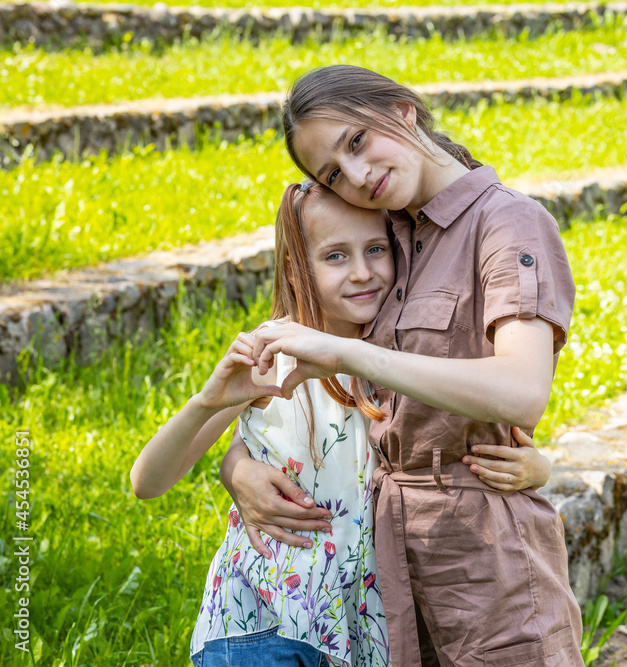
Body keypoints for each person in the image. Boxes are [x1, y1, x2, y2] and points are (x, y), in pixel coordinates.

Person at [222, 65, 585, 667]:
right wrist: (237, 465)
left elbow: (522, 391)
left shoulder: (507, 223)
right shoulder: (384, 236)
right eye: (333, 172)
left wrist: (350, 355)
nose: (358, 176)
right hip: (383, 563)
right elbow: (313, 395)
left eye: (357, 140)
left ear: (402, 110)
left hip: (487, 558)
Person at [130, 181, 551, 667]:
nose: (362, 272)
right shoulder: (272, 355)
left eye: (376, 249)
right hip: (261, 620)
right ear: (296, 267)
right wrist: (208, 406)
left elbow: (501, 440)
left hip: (366, 630)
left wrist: (540, 469)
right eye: (335, 256)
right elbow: (148, 482)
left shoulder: (412, 361)